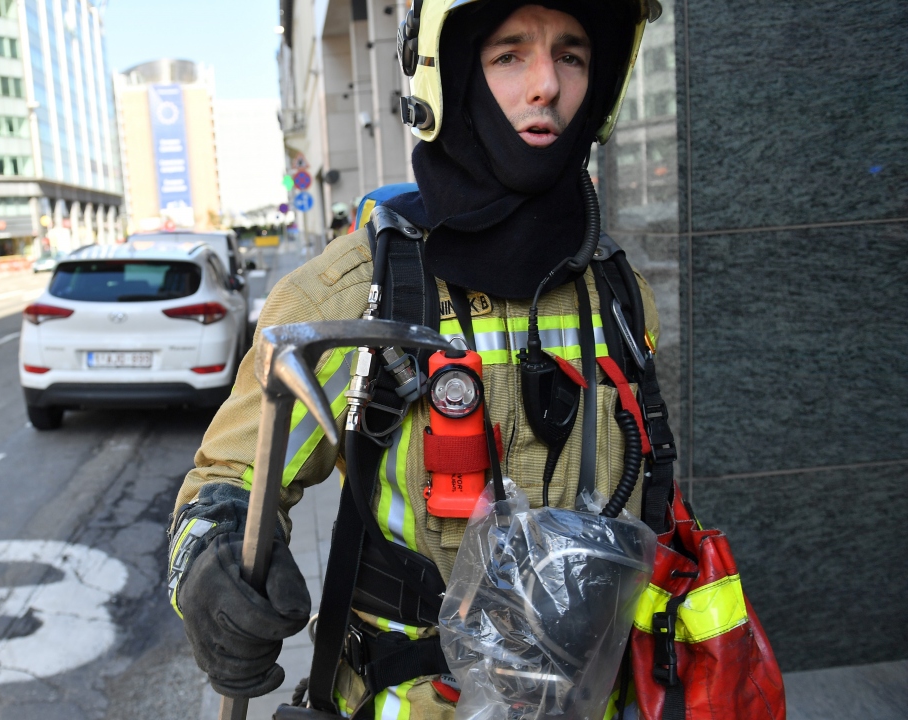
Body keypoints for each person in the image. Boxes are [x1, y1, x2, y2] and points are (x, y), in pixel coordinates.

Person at [169, 1, 664, 717]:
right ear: (449, 74)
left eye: (572, 56)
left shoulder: (621, 296)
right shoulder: (349, 297)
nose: (547, 85)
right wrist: (211, 561)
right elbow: (229, 478)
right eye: (509, 55)